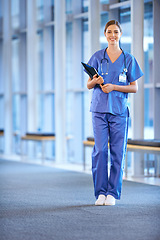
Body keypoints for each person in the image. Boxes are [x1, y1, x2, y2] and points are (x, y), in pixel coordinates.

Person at [86, 20, 143, 206]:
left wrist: (114, 87)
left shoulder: (129, 59)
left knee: (118, 152)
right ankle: (100, 193)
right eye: (109, 32)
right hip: (99, 110)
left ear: (120, 34)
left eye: (116, 32)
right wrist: (96, 81)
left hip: (119, 112)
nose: (113, 35)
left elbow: (134, 88)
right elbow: (88, 85)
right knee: (100, 151)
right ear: (105, 34)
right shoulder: (97, 57)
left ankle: (112, 193)